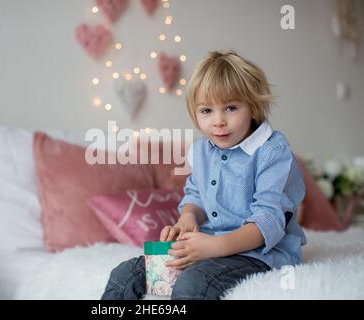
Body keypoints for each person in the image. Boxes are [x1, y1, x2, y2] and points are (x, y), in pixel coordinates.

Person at [101, 50, 307, 300]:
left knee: (192, 284)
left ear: (252, 108)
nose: (218, 121)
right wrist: (188, 217)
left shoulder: (272, 150)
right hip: (210, 241)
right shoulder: (201, 149)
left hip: (258, 252)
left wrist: (216, 247)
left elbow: (269, 220)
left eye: (230, 108)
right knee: (123, 276)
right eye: (206, 111)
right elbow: (196, 194)